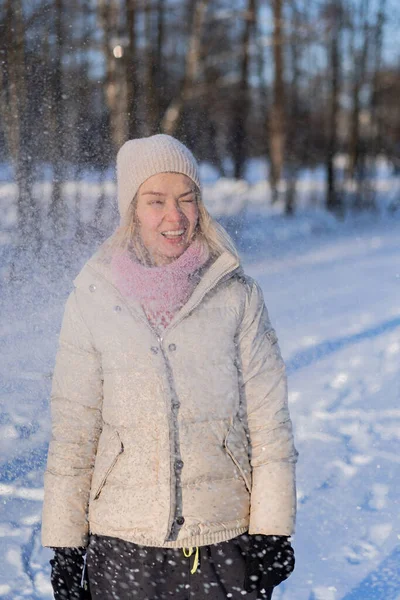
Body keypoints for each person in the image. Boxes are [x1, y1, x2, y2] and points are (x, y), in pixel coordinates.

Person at [42, 134, 298, 600]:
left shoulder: (237, 295)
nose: (174, 217)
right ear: (132, 210)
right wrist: (64, 545)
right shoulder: (92, 299)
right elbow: (74, 431)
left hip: (223, 537)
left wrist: (272, 529)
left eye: (186, 199)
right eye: (155, 201)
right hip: (121, 544)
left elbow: (269, 422)